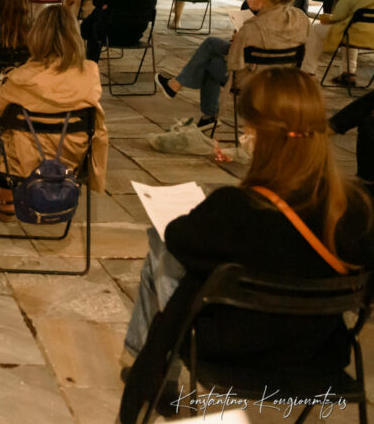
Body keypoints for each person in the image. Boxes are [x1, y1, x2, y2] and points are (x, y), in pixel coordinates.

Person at [122, 69, 374, 385]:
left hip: (231, 352)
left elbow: (177, 238)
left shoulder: (235, 208)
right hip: (318, 353)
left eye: (248, 126)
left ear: (260, 135)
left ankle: (153, 371)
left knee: (162, 248)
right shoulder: (356, 210)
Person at [0, 5, 108, 204]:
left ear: (37, 36)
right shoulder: (90, 72)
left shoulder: (23, 77)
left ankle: (5, 199)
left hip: (25, 159)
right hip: (73, 157)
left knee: (2, 124)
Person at [157, 0, 308, 130]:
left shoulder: (254, 26)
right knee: (212, 45)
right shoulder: (300, 17)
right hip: (285, 77)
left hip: (254, 79)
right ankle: (182, 90)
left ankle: (201, 108)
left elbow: (234, 62)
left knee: (210, 62)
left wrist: (237, 40)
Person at [301, 0, 374, 84]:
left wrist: (328, 18)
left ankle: (308, 72)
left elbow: (339, 14)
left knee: (318, 29)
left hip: (357, 34)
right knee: (352, 27)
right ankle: (347, 72)